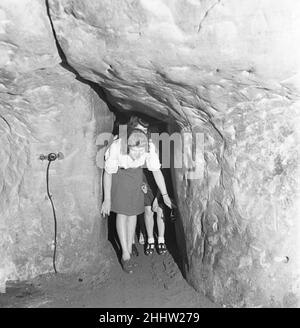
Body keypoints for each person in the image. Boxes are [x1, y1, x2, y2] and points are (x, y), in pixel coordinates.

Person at [101, 119, 171, 273]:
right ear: (127, 145)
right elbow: (108, 173)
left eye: (141, 151)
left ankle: (128, 245)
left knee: (133, 212)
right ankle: (125, 255)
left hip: (136, 175)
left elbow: (156, 171)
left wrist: (164, 194)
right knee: (122, 212)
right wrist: (107, 199)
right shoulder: (117, 147)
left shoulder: (148, 147)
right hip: (120, 174)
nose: (138, 155)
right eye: (135, 151)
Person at [128, 115, 171, 256]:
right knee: (147, 210)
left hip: (155, 180)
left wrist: (161, 195)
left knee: (159, 209)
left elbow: (159, 171)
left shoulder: (152, 146)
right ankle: (149, 238)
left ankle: (161, 239)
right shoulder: (125, 143)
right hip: (142, 179)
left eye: (146, 131)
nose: (143, 133)